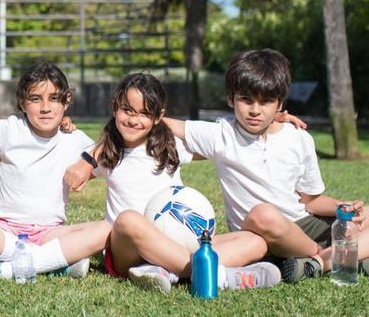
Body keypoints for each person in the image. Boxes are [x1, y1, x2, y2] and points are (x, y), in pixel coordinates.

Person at [165, 49, 369, 283]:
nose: (255, 110)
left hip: (302, 225)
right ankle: (328, 258)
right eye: (246, 100)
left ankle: (319, 262)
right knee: (266, 214)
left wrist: (343, 207)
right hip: (258, 232)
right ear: (231, 99)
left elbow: (311, 201)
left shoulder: (299, 138)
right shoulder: (221, 134)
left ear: (279, 104)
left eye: (266, 102)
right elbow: (163, 123)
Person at [80, 73, 280, 293]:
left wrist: (271, 125)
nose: (134, 120)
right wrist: (80, 151)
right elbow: (70, 163)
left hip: (179, 242)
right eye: (127, 110)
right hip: (129, 251)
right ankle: (215, 275)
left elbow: (224, 140)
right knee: (128, 220)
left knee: (255, 241)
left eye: (145, 113)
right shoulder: (106, 152)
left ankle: (167, 270)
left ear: (159, 117)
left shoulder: (171, 145)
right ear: (114, 107)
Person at [0, 62, 110, 281]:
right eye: (35, 99)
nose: (45, 107)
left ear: (66, 101)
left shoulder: (74, 139)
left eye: (54, 98)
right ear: (22, 102)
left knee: (105, 230)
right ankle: (53, 264)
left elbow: (113, 153)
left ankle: (3, 270)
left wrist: (87, 164)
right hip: (3, 231)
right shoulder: (9, 129)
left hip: (49, 233)